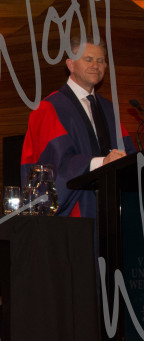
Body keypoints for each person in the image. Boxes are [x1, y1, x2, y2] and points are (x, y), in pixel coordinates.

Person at [21, 38, 135, 218]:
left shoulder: (108, 109)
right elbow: (53, 165)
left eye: (100, 60)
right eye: (88, 59)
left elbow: (128, 155)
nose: (96, 65)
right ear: (70, 64)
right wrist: (101, 163)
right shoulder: (50, 108)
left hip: (112, 211)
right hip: (75, 216)